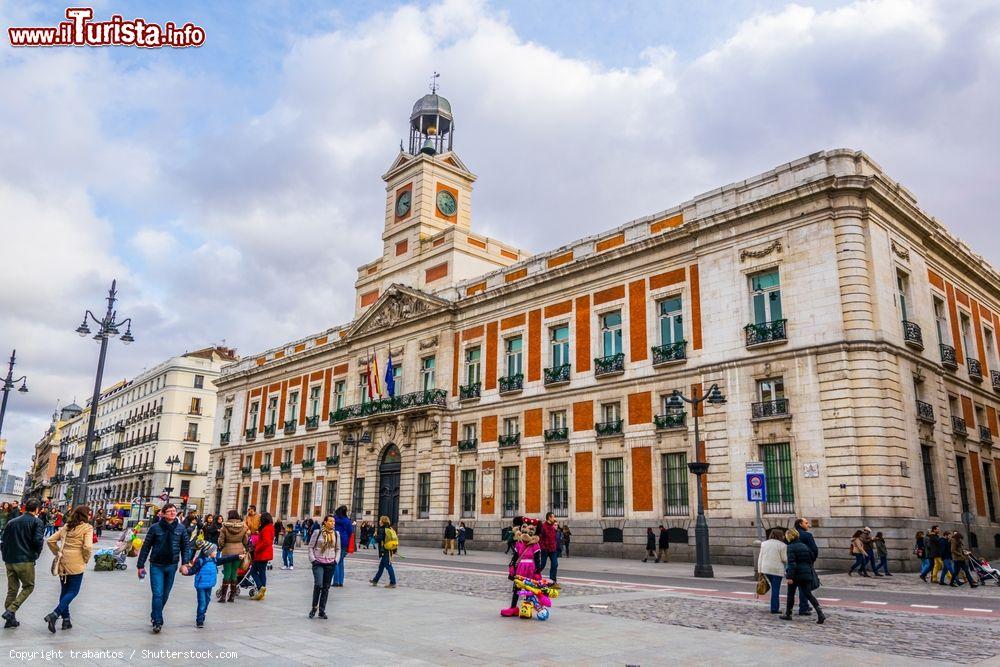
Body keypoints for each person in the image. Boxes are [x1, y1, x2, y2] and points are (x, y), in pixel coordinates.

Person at [136, 503, 192, 633]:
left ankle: (155, 613)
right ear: (163, 513)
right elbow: (146, 547)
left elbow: (186, 547)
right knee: (158, 593)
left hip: (172, 565)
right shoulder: (155, 528)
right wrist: (140, 565)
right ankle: (158, 621)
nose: (173, 513)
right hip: (156, 565)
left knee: (165, 594)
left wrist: (185, 563)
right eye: (170, 511)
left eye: (174, 511)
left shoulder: (180, 528)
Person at [43, 505, 94, 633]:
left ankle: (66, 620)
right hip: (77, 562)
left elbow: (50, 540)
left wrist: (58, 552)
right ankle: (55, 614)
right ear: (85, 515)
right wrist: (86, 559)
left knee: (65, 591)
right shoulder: (87, 528)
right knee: (73, 591)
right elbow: (87, 547)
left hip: (63, 561)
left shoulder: (67, 526)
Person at [1, 498, 44, 629]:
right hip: (25, 560)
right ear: (37, 509)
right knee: (28, 586)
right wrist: (36, 555)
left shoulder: (12, 522)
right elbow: (38, 541)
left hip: (10, 560)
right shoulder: (37, 522)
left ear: (25, 508)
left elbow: (3, 540)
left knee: (12, 589)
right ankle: (11, 611)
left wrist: (5, 555)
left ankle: (10, 620)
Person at [185, 541, 240, 628]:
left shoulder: (214, 560)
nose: (216, 552)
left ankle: (203, 613)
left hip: (209, 585)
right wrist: (187, 572)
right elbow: (193, 570)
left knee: (207, 600)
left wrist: (237, 557)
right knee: (202, 602)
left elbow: (225, 559)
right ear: (208, 552)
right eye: (214, 551)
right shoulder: (200, 561)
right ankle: (200, 620)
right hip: (201, 585)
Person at [780, 528, 826, 624]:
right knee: (808, 594)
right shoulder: (805, 546)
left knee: (791, 594)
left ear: (789, 536)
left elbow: (792, 563)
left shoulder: (790, 547)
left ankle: (788, 614)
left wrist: (789, 577)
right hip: (806, 573)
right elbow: (812, 557)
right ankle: (820, 612)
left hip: (796, 574)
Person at [308, 515, 340, 618]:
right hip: (318, 562)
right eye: (330, 521)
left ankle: (322, 610)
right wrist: (313, 560)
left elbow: (338, 548)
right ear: (325, 522)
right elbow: (310, 547)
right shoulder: (318, 533)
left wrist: (336, 560)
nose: (333, 523)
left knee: (326, 587)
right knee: (318, 584)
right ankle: (314, 607)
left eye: (333, 522)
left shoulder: (336, 534)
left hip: (330, 563)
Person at [217, 510, 248, 603]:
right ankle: (232, 596)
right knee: (234, 572)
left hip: (227, 551)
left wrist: (221, 546)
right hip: (239, 552)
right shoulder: (243, 527)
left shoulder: (224, 527)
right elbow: (245, 541)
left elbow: (221, 541)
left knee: (227, 572)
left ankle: (223, 597)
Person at [758, 527, 787, 614]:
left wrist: (760, 571)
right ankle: (774, 608)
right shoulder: (782, 545)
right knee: (775, 589)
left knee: (772, 588)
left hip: (766, 569)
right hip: (777, 570)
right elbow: (785, 559)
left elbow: (760, 557)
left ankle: (773, 607)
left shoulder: (764, 544)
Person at [793, 518, 818, 614]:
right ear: (800, 524)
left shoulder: (790, 535)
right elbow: (814, 550)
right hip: (804, 564)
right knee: (804, 587)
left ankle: (790, 611)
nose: (808, 525)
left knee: (792, 589)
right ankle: (804, 607)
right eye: (806, 523)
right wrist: (811, 560)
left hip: (792, 564)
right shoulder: (807, 535)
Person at [249, 512, 274, 600]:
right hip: (265, 553)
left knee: (253, 571)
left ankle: (261, 588)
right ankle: (261, 590)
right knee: (261, 572)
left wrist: (257, 548)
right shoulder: (270, 527)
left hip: (262, 554)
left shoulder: (266, 529)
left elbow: (266, 542)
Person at [369, 516, 397, 588]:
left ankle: (393, 582)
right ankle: (375, 580)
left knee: (388, 566)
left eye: (380, 520)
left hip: (384, 550)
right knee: (381, 567)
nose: (379, 521)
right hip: (389, 549)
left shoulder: (382, 529)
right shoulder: (390, 528)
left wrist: (375, 536)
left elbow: (379, 539)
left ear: (382, 521)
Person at [333, 506, 353, 588]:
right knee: (341, 562)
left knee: (335, 562)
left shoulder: (335, 519)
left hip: (336, 540)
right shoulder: (347, 521)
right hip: (344, 541)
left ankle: (336, 581)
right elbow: (350, 531)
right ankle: (341, 581)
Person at [538, 513, 560, 585]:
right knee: (542, 565)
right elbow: (540, 539)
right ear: (549, 518)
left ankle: (552, 580)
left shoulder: (553, 527)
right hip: (545, 549)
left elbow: (554, 538)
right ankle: (534, 575)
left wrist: (555, 546)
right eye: (553, 517)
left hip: (553, 549)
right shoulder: (543, 526)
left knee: (555, 564)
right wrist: (543, 547)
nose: (554, 518)